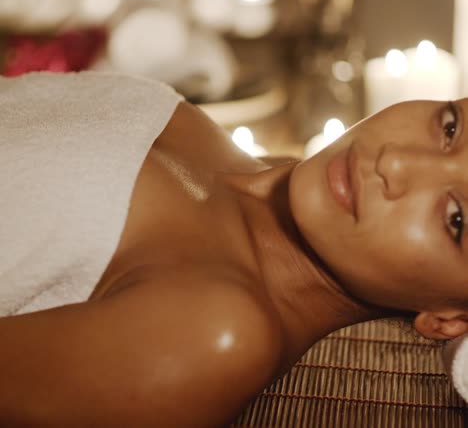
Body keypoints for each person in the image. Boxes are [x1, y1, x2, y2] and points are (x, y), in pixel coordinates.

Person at [1, 71, 467, 427]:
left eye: (456, 220)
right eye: (451, 127)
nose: (395, 161)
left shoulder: (215, 335)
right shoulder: (207, 139)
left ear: (449, 319)